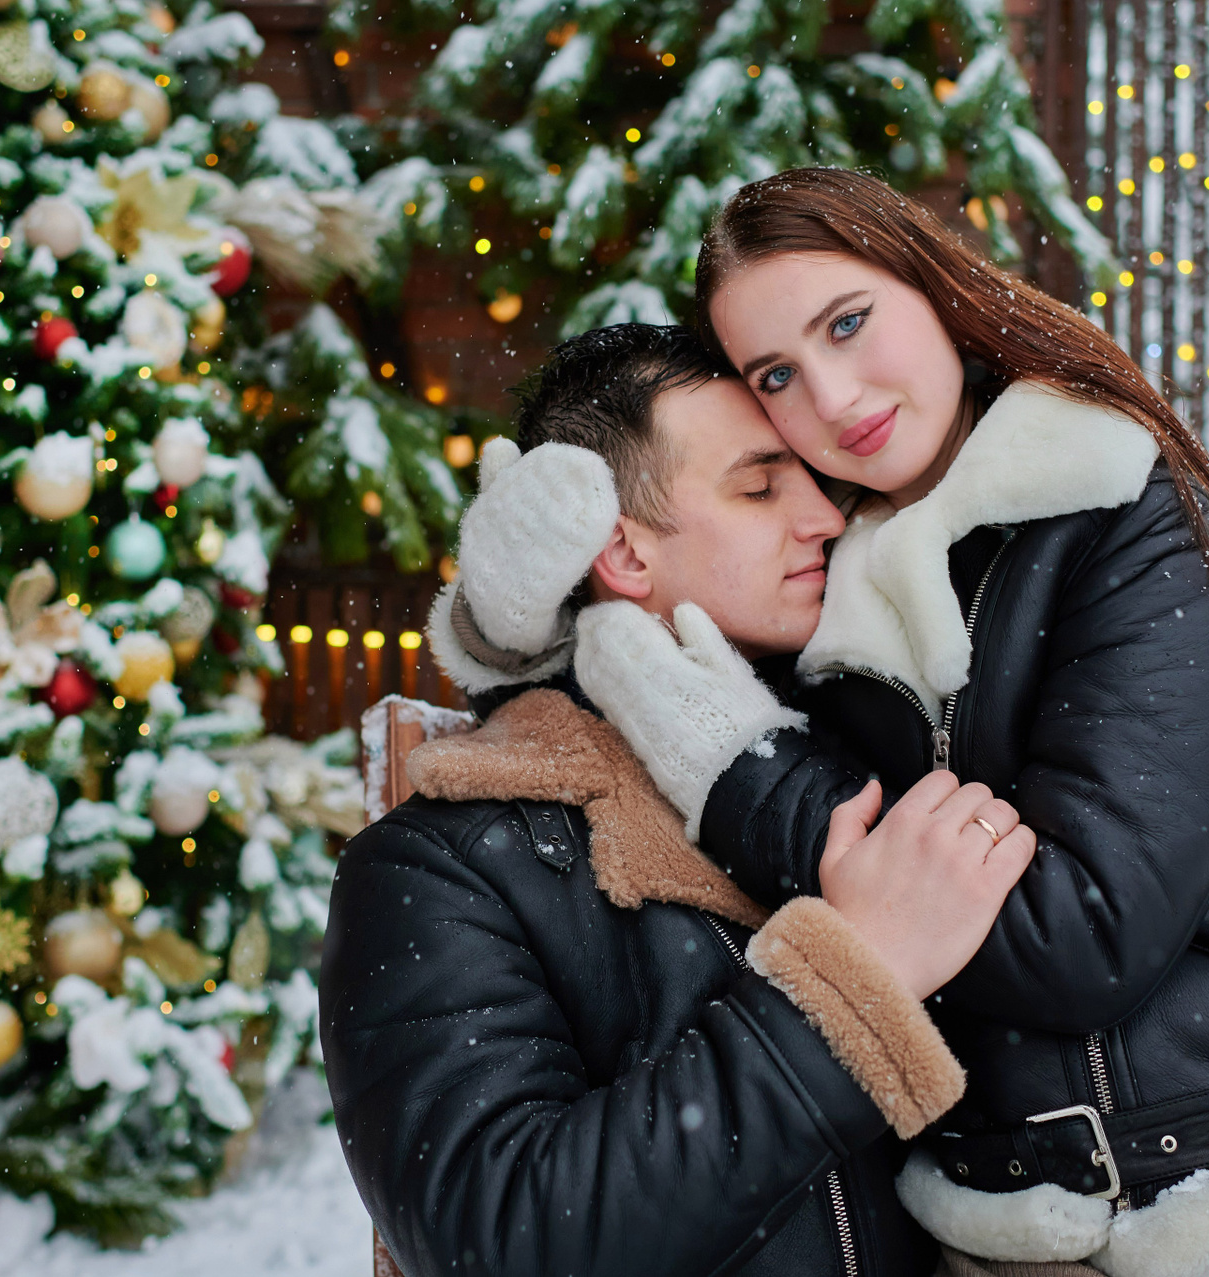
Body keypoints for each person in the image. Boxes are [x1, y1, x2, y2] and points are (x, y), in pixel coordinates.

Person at [441, 170, 1209, 1277]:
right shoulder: (823, 569)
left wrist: (748, 770)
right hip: (1025, 1223)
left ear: (935, 288)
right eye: (777, 373)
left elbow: (1082, 935)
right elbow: (629, 660)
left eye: (848, 323)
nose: (832, 395)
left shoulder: (1115, 508)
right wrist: (510, 613)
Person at [320, 324, 1040, 1277]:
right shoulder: (444, 867)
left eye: (816, 481)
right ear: (620, 550)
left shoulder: (872, 766)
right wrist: (851, 979)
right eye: (760, 487)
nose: (824, 518)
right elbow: (505, 1240)